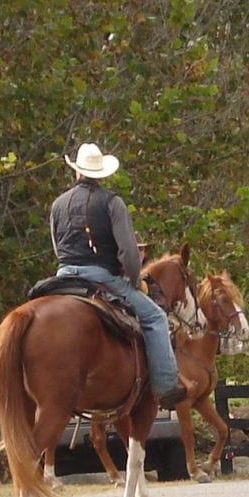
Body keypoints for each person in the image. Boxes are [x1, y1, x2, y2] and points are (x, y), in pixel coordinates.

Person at [49, 144, 186, 408]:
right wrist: (133, 282)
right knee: (156, 317)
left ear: (77, 172)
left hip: (63, 276)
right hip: (100, 277)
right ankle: (167, 387)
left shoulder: (57, 205)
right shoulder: (112, 203)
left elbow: (58, 247)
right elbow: (128, 253)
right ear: (101, 174)